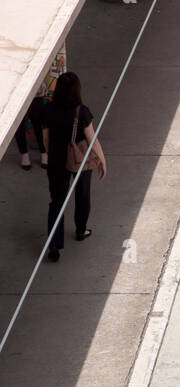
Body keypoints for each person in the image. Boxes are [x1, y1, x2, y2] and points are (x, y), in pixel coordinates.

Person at [41, 71, 106, 263]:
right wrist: (102, 160)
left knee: (57, 201)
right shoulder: (81, 111)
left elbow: (46, 139)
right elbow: (92, 140)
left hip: (56, 161)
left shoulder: (48, 110)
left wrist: (54, 153)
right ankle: (81, 230)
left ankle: (54, 244)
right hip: (80, 161)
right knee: (82, 195)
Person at [14, 95, 48, 170]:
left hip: (20, 94)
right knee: (38, 124)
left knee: (19, 124)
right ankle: (43, 155)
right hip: (34, 93)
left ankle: (26, 156)